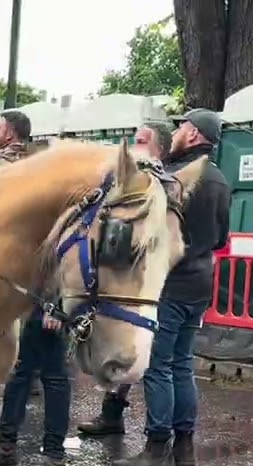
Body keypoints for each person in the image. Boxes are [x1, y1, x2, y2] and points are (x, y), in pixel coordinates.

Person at [110, 109, 232, 466]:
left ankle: (157, 448)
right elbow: (222, 239)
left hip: (167, 284)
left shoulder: (171, 179)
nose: (176, 131)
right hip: (199, 284)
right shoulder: (221, 180)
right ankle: (184, 449)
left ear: (193, 134)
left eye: (182, 126)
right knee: (182, 364)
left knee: (158, 366)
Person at [79, 120, 174, 438]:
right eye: (134, 139)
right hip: (141, 284)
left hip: (149, 287)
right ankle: (112, 416)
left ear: (159, 148)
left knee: (154, 363)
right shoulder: (133, 182)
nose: (136, 144)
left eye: (142, 140)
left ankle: (160, 441)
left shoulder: (162, 186)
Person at [0, 114, 71, 466]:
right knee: (22, 371)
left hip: (50, 300)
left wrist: (57, 304)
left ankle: (53, 453)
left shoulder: (63, 203)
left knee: (53, 375)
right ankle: (6, 440)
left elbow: (62, 255)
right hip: (29, 296)